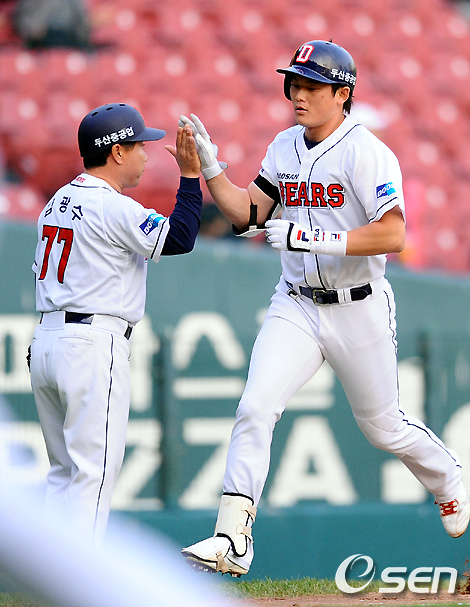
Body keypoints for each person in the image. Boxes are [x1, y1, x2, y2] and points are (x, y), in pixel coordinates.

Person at [179, 40, 470, 577]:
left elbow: (393, 233)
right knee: (255, 407)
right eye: (295, 83)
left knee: (383, 427)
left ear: (342, 94)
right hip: (296, 303)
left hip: (358, 304)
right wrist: (212, 169)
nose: (299, 94)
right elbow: (249, 212)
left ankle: (448, 476)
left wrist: (312, 238)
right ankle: (233, 538)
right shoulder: (284, 145)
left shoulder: (366, 151)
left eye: (313, 85)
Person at [29, 102, 202, 545]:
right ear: (117, 152)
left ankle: (48, 574)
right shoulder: (111, 206)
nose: (145, 153)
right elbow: (180, 238)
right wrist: (189, 176)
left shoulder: (56, 201)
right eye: (139, 145)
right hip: (90, 344)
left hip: (47, 339)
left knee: (63, 474)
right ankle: (77, 579)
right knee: (94, 474)